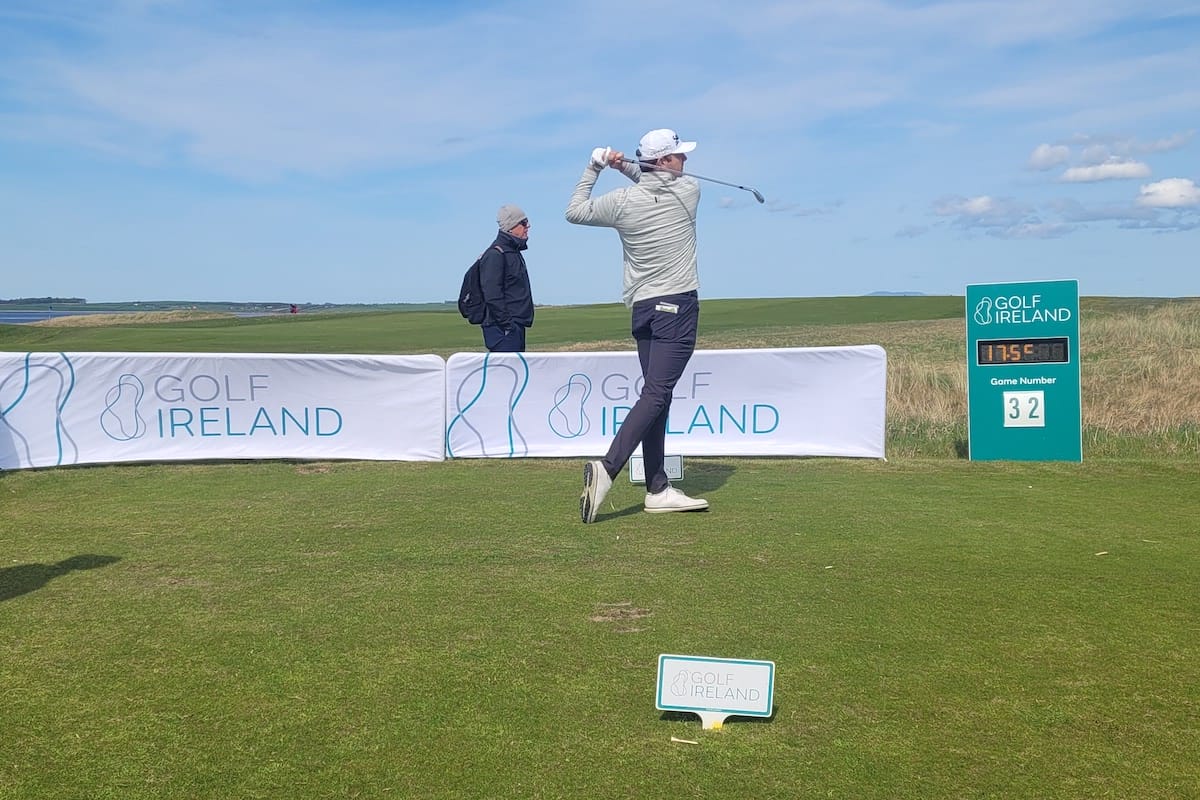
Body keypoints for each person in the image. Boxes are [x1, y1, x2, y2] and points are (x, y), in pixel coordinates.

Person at [565, 128, 710, 523]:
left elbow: (574, 210)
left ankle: (657, 488)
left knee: (657, 396)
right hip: (677, 305)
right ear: (663, 161)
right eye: (678, 155)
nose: (685, 160)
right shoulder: (689, 192)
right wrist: (623, 166)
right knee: (657, 394)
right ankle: (608, 468)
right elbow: (654, 181)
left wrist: (596, 166)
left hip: (644, 309)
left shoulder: (620, 202)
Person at [479, 204, 535, 352]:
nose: (528, 226)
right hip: (502, 330)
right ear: (511, 227)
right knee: (506, 367)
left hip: (514, 326)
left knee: (517, 367)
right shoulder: (496, 254)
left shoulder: (512, 252)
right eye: (523, 223)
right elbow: (492, 294)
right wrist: (507, 325)